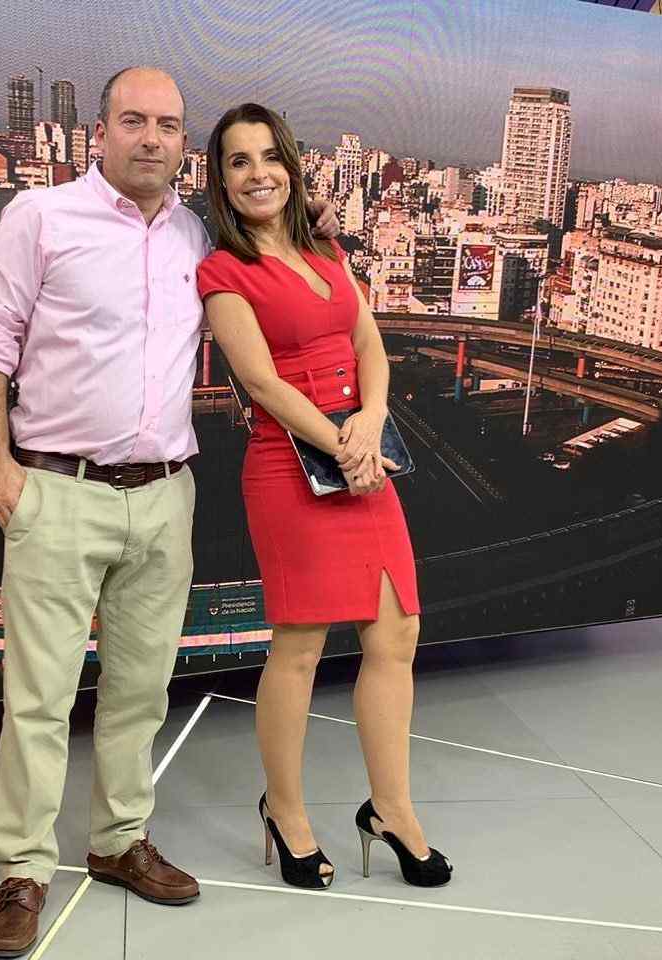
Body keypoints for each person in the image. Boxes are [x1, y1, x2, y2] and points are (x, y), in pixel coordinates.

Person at [0, 71, 338, 957]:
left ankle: (119, 841)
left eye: (168, 125)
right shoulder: (41, 217)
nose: (151, 139)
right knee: (39, 700)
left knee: (140, 691)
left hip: (166, 495)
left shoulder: (197, 236)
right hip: (58, 489)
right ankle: (22, 871)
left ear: (182, 144)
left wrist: (315, 237)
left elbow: (272, 289)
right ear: (100, 131)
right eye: (134, 121)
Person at [196, 103, 452, 891]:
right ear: (221, 181)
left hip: (363, 457)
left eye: (269, 156)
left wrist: (370, 422)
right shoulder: (223, 272)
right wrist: (345, 445)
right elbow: (262, 383)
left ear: (292, 165)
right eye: (238, 161)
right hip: (289, 469)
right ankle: (286, 810)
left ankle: (392, 810)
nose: (258, 173)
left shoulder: (326, 249)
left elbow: (367, 341)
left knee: (396, 635)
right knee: (300, 649)